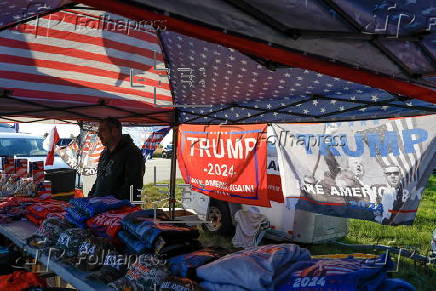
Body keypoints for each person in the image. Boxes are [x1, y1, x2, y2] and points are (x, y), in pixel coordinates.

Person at [88, 117, 145, 201]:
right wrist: (91, 196)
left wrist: (108, 203)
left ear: (114, 131)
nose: (98, 134)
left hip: (119, 210)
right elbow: (99, 179)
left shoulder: (132, 153)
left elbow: (133, 187)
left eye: (102, 130)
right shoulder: (104, 153)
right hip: (99, 207)